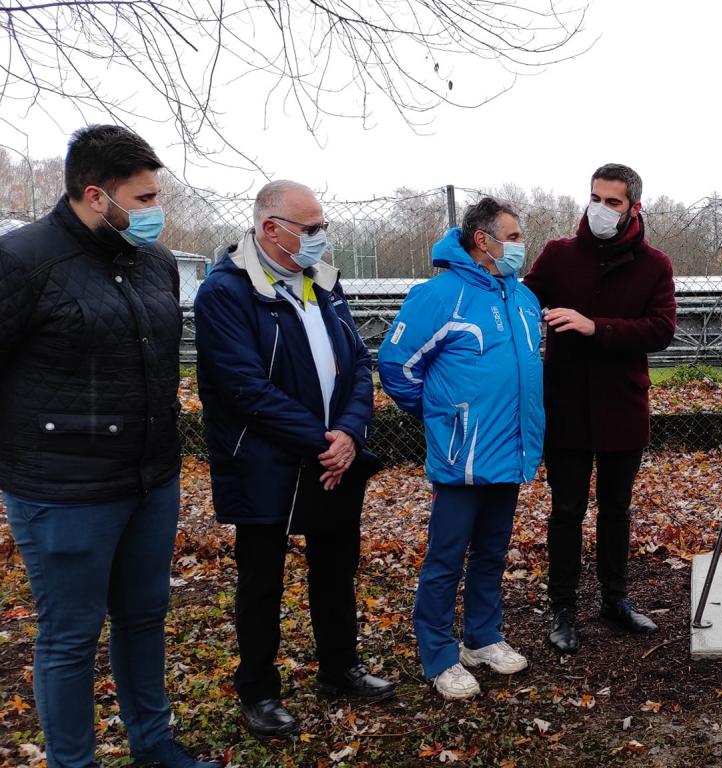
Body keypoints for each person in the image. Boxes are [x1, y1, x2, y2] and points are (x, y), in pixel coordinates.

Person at [0, 125, 219, 768]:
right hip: (63, 491)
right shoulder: (22, 262)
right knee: (69, 638)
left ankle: (155, 747)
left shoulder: (151, 262)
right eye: (145, 198)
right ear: (96, 196)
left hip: (151, 481)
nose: (157, 211)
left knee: (144, 618)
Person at [194, 180, 394, 738]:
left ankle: (339, 666)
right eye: (310, 229)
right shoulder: (226, 292)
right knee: (262, 580)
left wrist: (350, 434)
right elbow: (244, 388)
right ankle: (258, 688)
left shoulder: (324, 285)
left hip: (333, 454)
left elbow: (357, 365)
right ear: (270, 229)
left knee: (336, 569)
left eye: (322, 227)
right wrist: (322, 440)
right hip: (264, 459)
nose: (319, 239)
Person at [377, 197, 545, 700]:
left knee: (492, 553)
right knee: (446, 559)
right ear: (483, 241)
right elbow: (396, 366)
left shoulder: (522, 298)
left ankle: (482, 637)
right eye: (512, 237)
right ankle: (438, 654)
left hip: (510, 451)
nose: (519, 245)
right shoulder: (440, 295)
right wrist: (444, 416)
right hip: (462, 457)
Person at [523, 163, 676, 654]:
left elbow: (661, 330)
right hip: (565, 403)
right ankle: (562, 607)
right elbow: (523, 305)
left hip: (622, 406)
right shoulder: (558, 256)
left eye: (613, 202)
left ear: (634, 207)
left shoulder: (655, 265)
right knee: (566, 510)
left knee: (616, 509)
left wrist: (597, 327)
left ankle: (615, 599)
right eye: (595, 198)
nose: (601, 209)